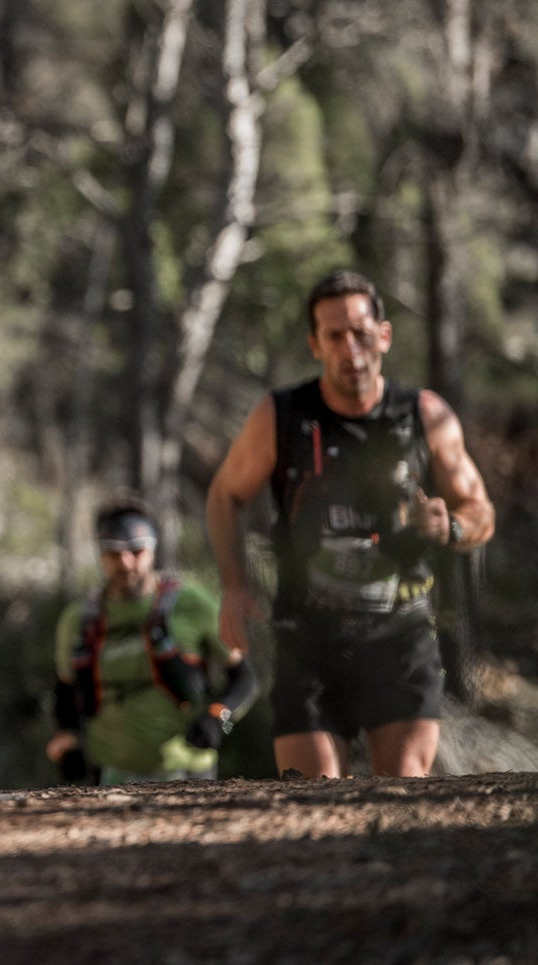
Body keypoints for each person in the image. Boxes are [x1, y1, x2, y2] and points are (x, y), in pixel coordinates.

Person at [206, 269, 496, 778]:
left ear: (383, 335)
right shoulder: (282, 417)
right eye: (334, 336)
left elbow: (481, 511)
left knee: (404, 789)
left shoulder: (424, 415)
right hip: (308, 634)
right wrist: (233, 585)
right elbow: (224, 493)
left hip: (401, 631)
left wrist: (449, 527)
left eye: (361, 332)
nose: (351, 348)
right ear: (314, 345)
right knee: (310, 794)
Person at [47, 498, 259, 786]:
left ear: (153, 549)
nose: (126, 563)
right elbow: (65, 690)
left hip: (188, 774)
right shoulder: (78, 620)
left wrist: (219, 718)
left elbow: (244, 678)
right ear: (101, 554)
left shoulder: (192, 604)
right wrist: (68, 740)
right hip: (106, 777)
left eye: (136, 551)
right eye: (114, 553)